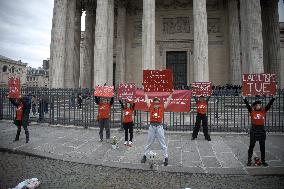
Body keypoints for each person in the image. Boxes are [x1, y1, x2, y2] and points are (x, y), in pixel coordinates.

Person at [141, 93, 172, 166]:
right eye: (155, 102)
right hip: (152, 127)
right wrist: (146, 94)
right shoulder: (151, 108)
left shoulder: (162, 108)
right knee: (149, 143)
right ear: (153, 103)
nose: (156, 104)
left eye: (157, 102)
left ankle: (166, 157)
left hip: (159, 128)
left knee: (162, 143)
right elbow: (147, 101)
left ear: (159, 103)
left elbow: (168, 101)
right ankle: (145, 156)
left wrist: (171, 94)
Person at [243, 96, 275, 166]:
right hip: (254, 130)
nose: (259, 106)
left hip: (261, 130)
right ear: (254, 106)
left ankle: (263, 160)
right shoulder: (252, 111)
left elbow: (269, 105)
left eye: (260, 105)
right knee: (251, 146)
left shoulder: (263, 111)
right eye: (257, 105)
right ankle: (249, 160)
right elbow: (247, 105)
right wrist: (244, 99)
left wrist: (273, 98)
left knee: (262, 146)